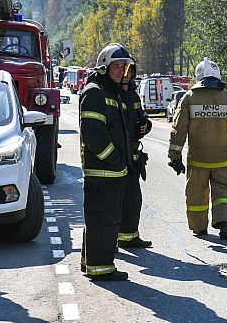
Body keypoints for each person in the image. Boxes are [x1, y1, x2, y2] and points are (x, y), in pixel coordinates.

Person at [79, 42, 134, 281]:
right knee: (105, 219)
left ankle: (89, 262)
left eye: (124, 67)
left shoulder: (111, 91)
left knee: (98, 218)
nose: (120, 71)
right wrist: (116, 161)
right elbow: (94, 135)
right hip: (103, 171)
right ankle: (101, 268)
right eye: (116, 66)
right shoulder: (95, 92)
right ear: (104, 66)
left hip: (111, 171)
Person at [168, 57, 227, 239]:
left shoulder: (189, 98)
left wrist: (174, 155)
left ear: (198, 76)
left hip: (197, 160)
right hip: (223, 159)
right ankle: (224, 224)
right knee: (224, 191)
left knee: (197, 195)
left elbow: (179, 128)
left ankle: (200, 227)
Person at [118, 59, 153, 248]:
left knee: (133, 198)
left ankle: (129, 237)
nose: (128, 74)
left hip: (132, 154)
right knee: (115, 199)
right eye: (125, 70)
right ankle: (112, 238)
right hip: (115, 156)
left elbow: (143, 118)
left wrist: (146, 125)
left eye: (131, 70)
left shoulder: (133, 95)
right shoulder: (112, 94)